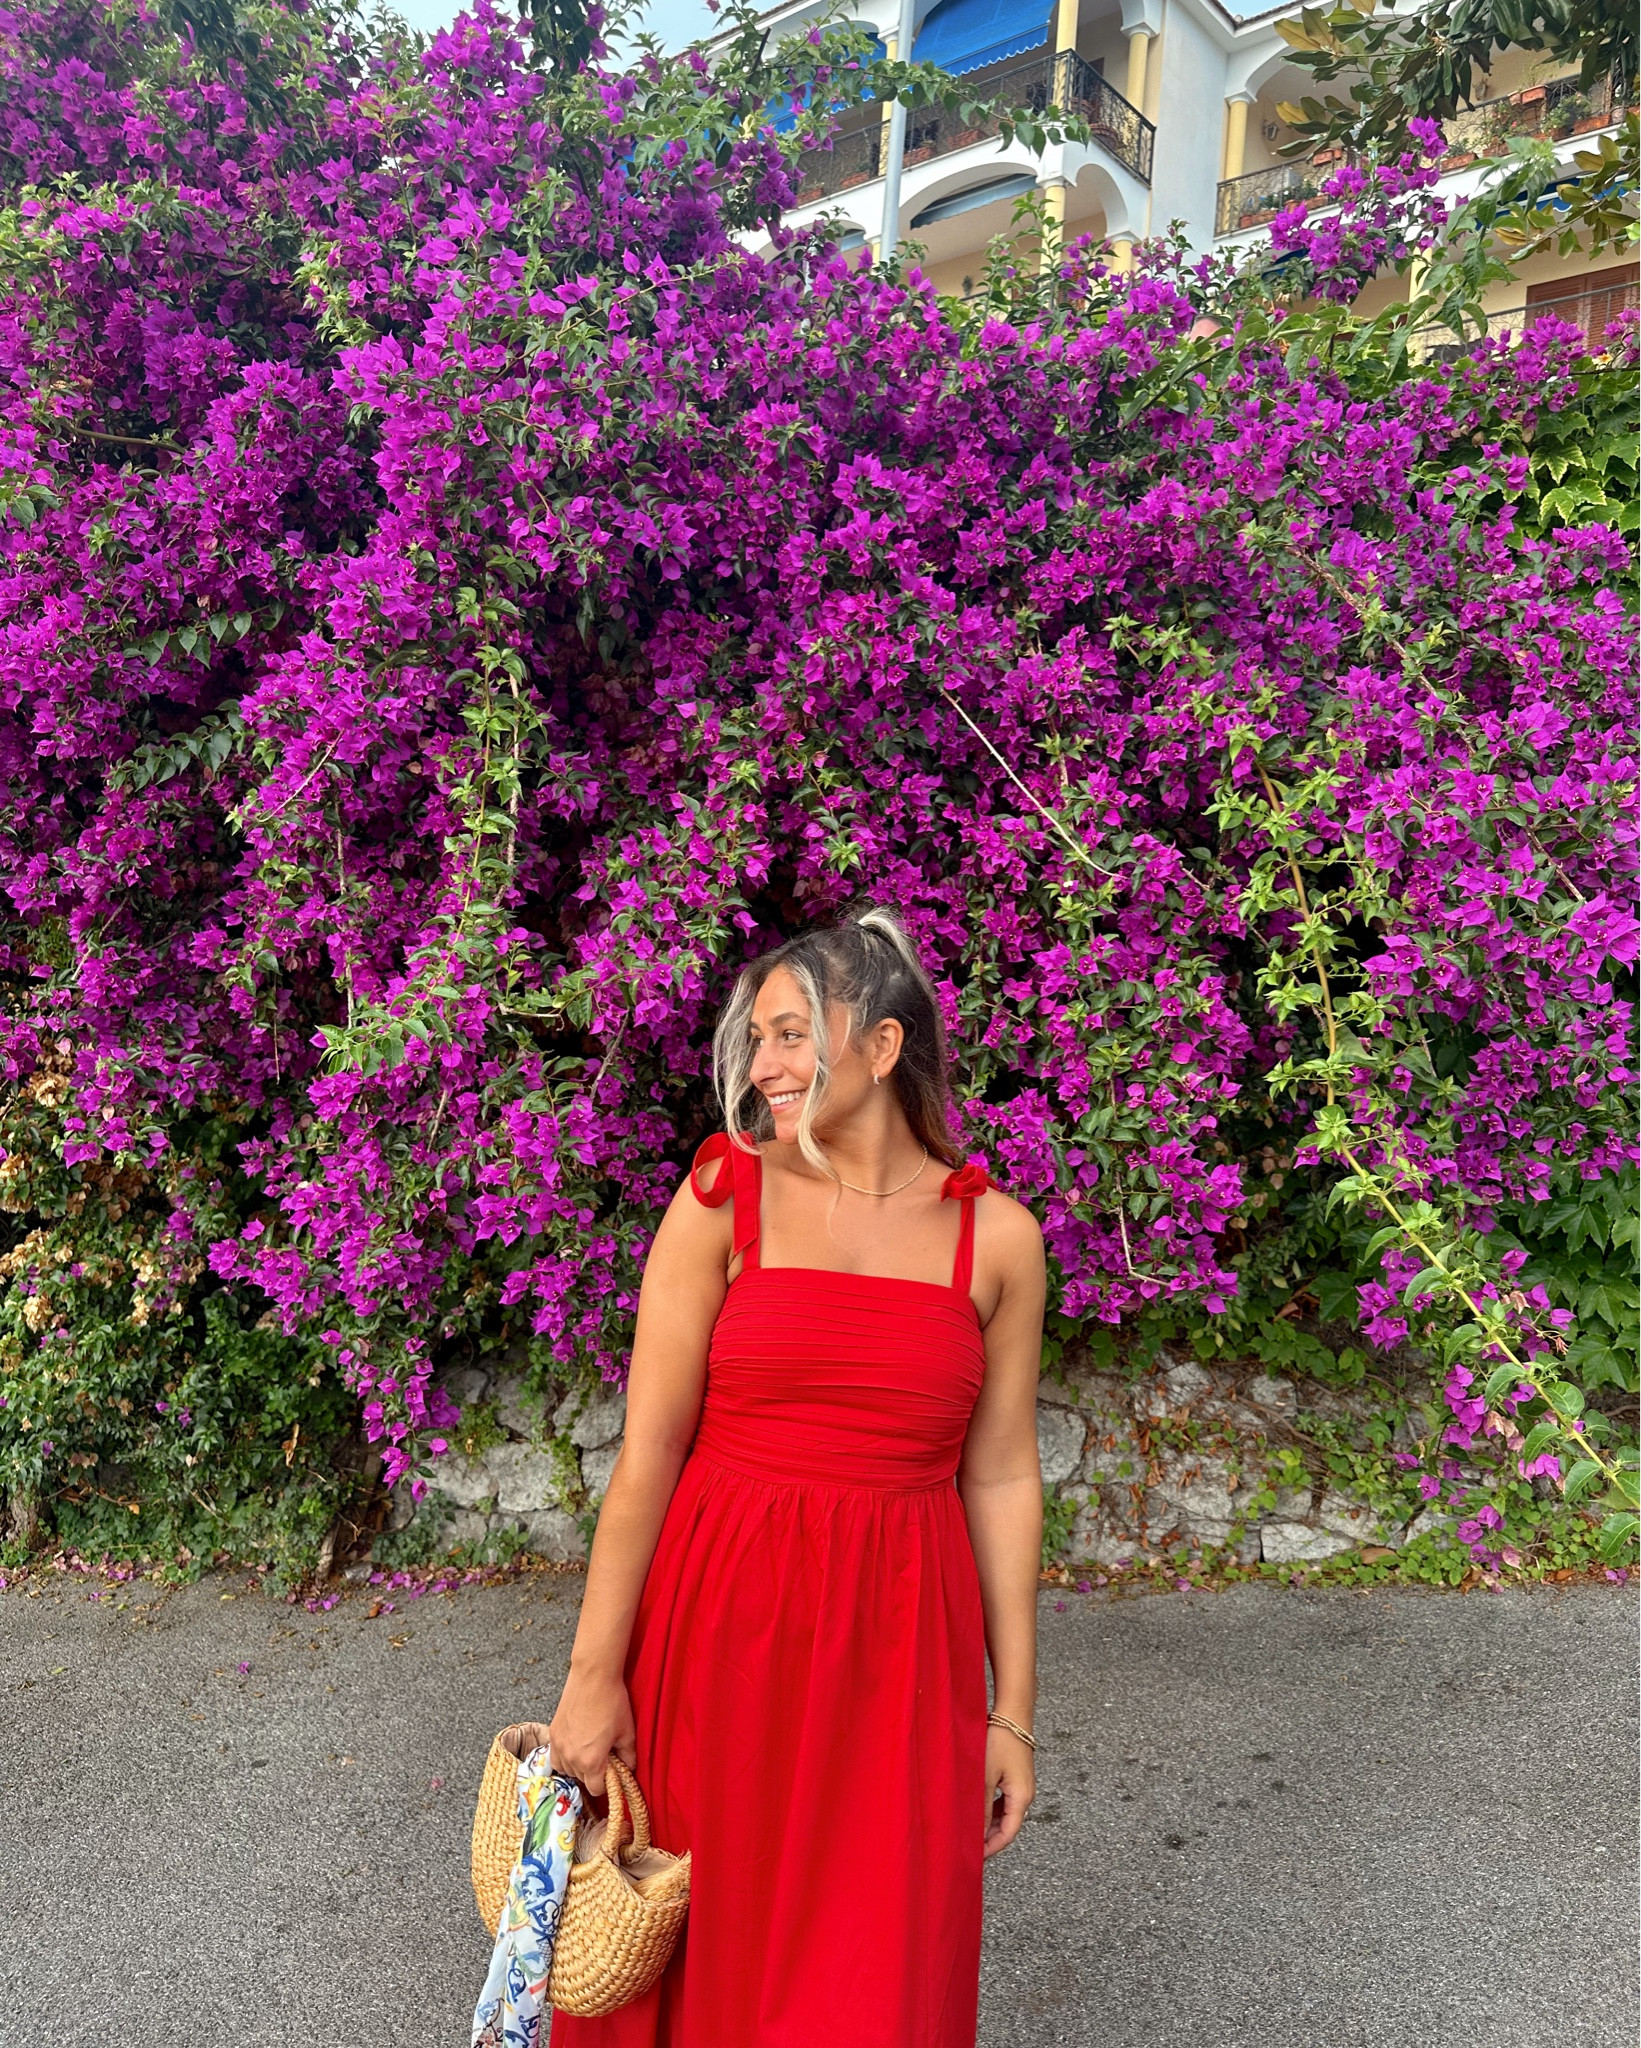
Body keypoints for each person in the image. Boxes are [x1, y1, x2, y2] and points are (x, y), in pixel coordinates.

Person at [546, 908, 1047, 2048]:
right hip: (717, 1634)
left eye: (788, 1033)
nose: (760, 1064)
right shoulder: (726, 1197)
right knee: (704, 1940)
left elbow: (1005, 1475)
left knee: (875, 1969)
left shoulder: (997, 1239)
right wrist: (592, 1676)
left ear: (879, 1045)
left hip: (901, 1656)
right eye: (755, 1036)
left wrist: (1009, 1709)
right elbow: (650, 1452)